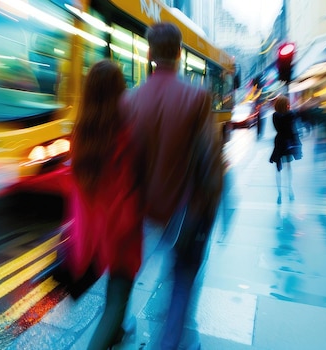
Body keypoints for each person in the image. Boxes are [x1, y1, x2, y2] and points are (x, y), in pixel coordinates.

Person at [122, 22, 224, 349]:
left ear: (150, 53)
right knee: (180, 285)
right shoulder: (197, 97)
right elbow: (210, 161)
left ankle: (121, 327)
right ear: (179, 54)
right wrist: (210, 212)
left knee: (129, 276)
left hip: (143, 211)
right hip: (186, 211)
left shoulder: (130, 100)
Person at [62, 59, 145, 350]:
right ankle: (110, 335)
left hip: (93, 230)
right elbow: (129, 190)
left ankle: (118, 333)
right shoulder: (125, 133)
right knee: (116, 300)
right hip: (121, 233)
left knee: (116, 296)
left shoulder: (81, 132)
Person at [269, 95, 302, 204]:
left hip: (279, 142)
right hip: (288, 143)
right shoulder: (291, 115)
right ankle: (290, 190)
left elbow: (277, 129)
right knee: (288, 167)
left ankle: (279, 194)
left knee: (278, 168)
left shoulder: (274, 116)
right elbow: (292, 129)